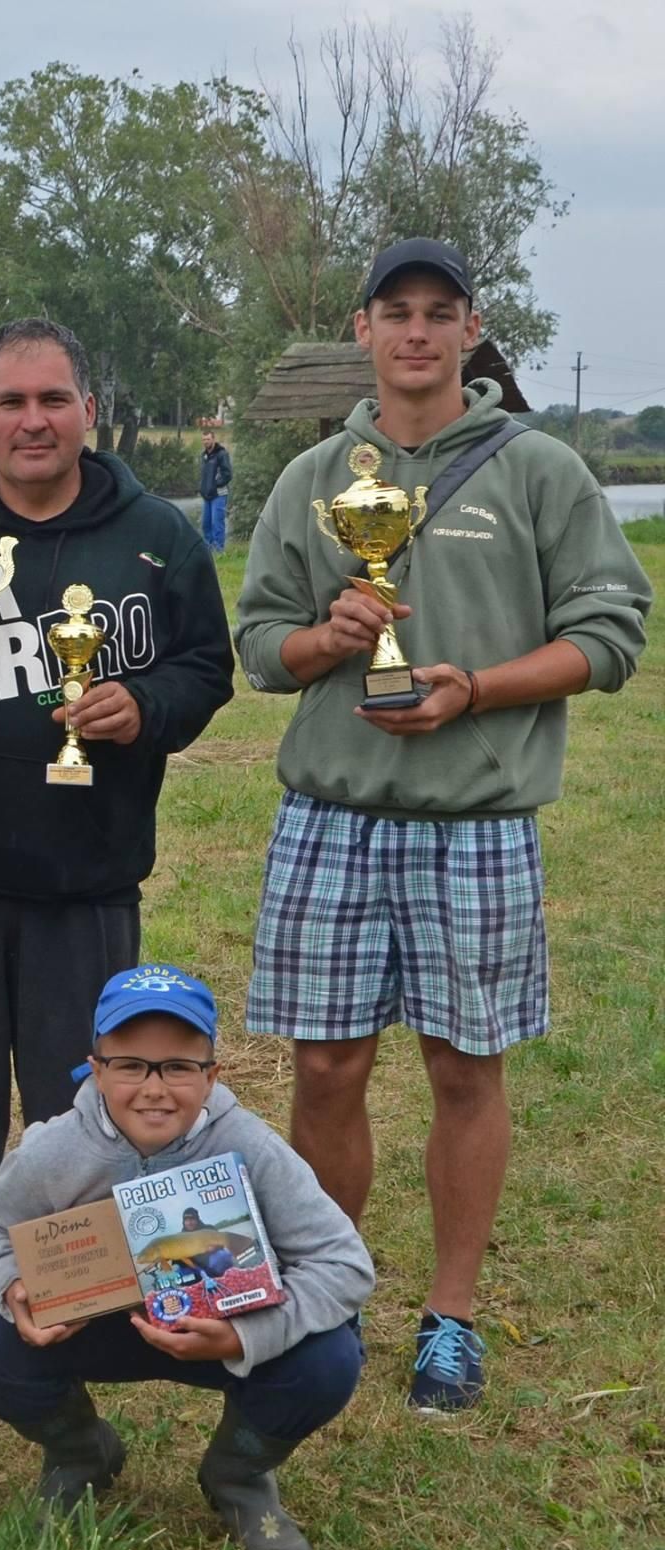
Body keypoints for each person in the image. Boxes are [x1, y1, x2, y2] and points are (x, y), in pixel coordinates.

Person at [235, 237, 653, 1412]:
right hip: (329, 813)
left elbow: (611, 632)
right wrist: (327, 637)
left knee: (464, 1071)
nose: (414, 332)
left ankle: (449, 1318)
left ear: (470, 332)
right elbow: (260, 643)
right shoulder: (312, 475)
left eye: (437, 312)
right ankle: (328, 1294)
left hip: (472, 820)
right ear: (360, 331)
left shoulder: (537, 469)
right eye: (393, 311)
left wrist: (474, 685)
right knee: (322, 1067)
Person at [0, 316, 235, 1363]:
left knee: (90, 1094)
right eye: (10, 401)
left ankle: (86, 1270)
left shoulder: (153, 533)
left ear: (86, 413)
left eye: (52, 400)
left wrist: (142, 705)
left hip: (87, 868)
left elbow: (205, 668)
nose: (32, 420)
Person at [0, 964, 372, 1550]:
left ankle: (240, 1474)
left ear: (212, 1074)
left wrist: (248, 1335)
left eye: (178, 1067)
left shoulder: (252, 1147)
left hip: (224, 1329)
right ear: (95, 1069)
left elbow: (344, 1263)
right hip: (99, 1327)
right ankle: (78, 1452)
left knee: (331, 1356)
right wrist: (14, 1288)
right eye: (131, 1066)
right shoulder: (54, 1149)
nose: (154, 1088)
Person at [199, 427, 233, 552]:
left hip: (219, 494)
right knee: (205, 524)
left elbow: (227, 474)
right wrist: (202, 488)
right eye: (204, 439)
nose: (206, 442)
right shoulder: (203, 456)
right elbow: (203, 475)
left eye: (208, 439)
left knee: (217, 522)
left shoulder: (221, 454)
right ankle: (208, 549)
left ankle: (219, 550)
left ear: (213, 439)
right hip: (207, 495)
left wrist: (215, 484)